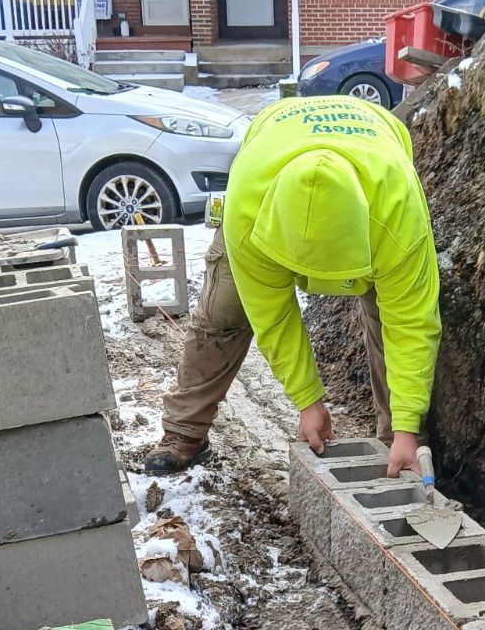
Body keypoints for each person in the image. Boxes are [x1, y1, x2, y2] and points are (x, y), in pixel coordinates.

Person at [145, 95, 441, 480]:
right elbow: (273, 317)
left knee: (389, 320)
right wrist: (307, 401)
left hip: (376, 161)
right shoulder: (246, 217)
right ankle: (184, 431)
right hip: (265, 173)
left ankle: (396, 442)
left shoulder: (398, 218)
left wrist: (406, 428)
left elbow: (412, 325)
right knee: (223, 311)